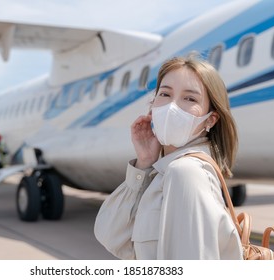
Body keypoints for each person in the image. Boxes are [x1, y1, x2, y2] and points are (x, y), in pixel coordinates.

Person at [94, 56, 243, 260]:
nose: (172, 106)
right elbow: (112, 236)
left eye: (190, 98)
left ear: (211, 119)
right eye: (165, 94)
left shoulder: (185, 172)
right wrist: (144, 163)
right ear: (152, 105)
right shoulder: (165, 170)